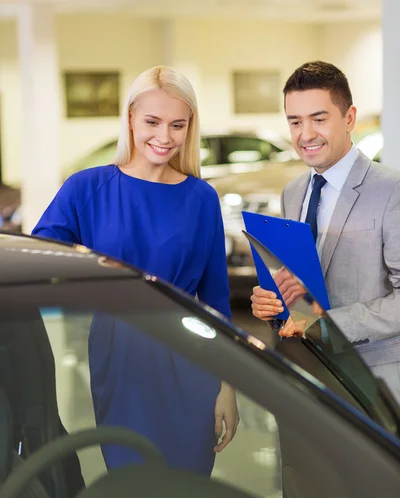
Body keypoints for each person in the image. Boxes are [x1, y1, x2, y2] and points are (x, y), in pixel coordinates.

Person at [32, 65, 239, 475]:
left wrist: (227, 387)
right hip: (119, 356)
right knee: (132, 486)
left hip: (191, 360)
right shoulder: (86, 188)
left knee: (187, 494)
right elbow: (40, 258)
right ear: (129, 118)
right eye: (152, 121)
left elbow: (216, 302)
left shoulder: (201, 198)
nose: (164, 137)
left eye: (177, 125)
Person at [251, 61, 400, 401]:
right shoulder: (292, 192)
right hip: (306, 377)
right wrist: (274, 303)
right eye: (295, 122)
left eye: (319, 119)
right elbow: (303, 289)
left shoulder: (393, 190)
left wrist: (327, 326)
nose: (306, 134)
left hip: (374, 385)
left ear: (349, 119)